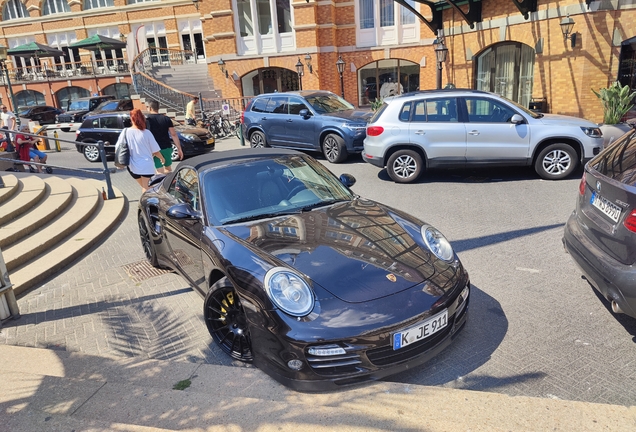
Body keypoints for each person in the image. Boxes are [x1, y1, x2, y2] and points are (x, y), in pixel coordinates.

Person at [115, 108, 165, 193]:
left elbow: (117, 147)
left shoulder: (125, 131)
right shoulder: (146, 133)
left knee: (145, 187)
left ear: (131, 119)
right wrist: (162, 158)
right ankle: (145, 205)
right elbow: (155, 150)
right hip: (146, 165)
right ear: (143, 118)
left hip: (132, 166)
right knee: (147, 189)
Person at [145, 99, 182, 174]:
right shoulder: (166, 119)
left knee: (159, 169)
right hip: (167, 147)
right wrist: (179, 148)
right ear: (158, 108)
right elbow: (173, 134)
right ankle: (168, 183)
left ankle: (161, 184)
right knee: (168, 168)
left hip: (154, 149)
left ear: (150, 108)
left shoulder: (147, 120)